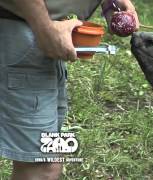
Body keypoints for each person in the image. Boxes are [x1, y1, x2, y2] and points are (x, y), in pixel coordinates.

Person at [0, 0, 139, 179]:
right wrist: (43, 28)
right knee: (43, 166)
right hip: (27, 31)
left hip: (43, 32)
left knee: (50, 156)